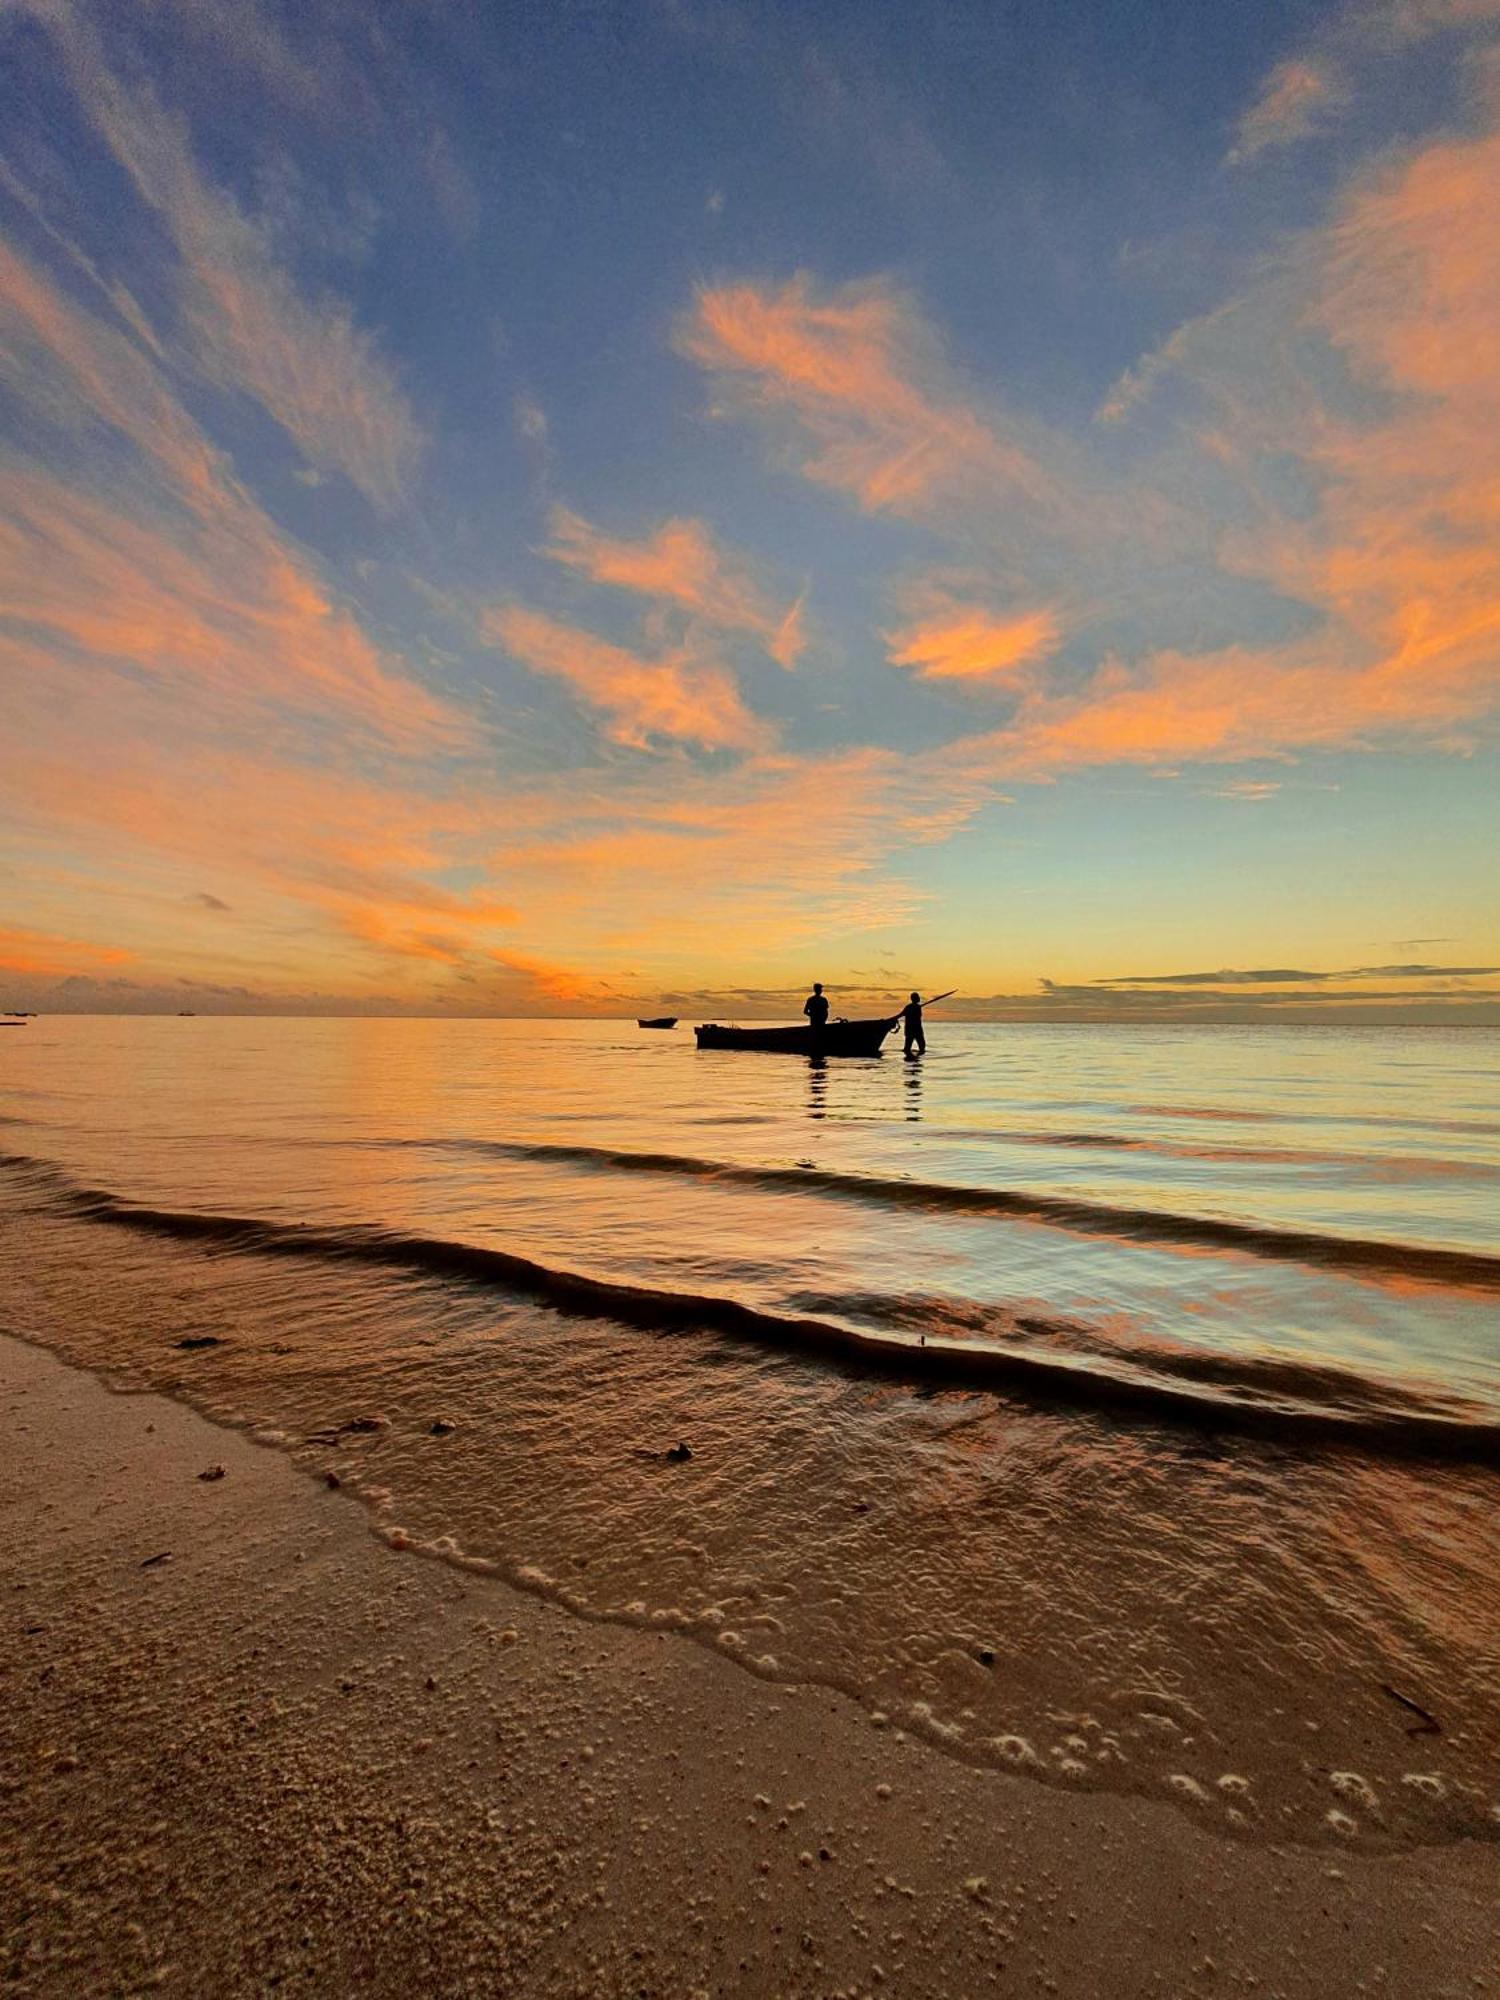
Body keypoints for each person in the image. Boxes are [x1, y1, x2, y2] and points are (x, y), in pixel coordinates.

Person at [900, 990, 925, 1056]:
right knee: (921, 1046)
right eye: (918, 997)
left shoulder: (911, 1007)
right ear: (915, 999)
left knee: (908, 1047)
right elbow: (902, 1014)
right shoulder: (915, 1007)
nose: (919, 998)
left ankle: (909, 1058)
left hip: (911, 1029)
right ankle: (911, 1058)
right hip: (915, 1030)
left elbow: (901, 1014)